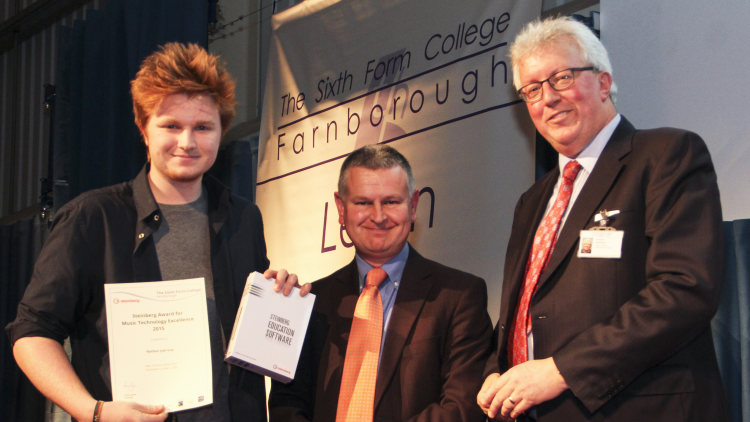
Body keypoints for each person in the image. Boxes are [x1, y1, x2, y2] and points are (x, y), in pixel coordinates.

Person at [6, 43, 309, 422]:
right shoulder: (92, 217)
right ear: (143, 129)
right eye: (171, 126)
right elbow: (32, 333)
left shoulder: (243, 218)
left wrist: (276, 298)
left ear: (221, 131)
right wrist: (93, 411)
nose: (187, 142)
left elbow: (248, 345)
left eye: (202, 127)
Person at [477, 17, 727, 422]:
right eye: (533, 89)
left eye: (561, 78)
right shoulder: (532, 201)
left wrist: (562, 369)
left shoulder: (666, 154)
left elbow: (685, 288)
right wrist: (496, 373)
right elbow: (519, 312)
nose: (548, 99)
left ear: (604, 82)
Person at [269, 144, 493, 422]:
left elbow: (462, 408)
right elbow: (287, 403)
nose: (378, 216)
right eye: (363, 203)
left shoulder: (459, 296)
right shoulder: (310, 302)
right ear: (341, 209)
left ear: (413, 206)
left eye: (391, 202)